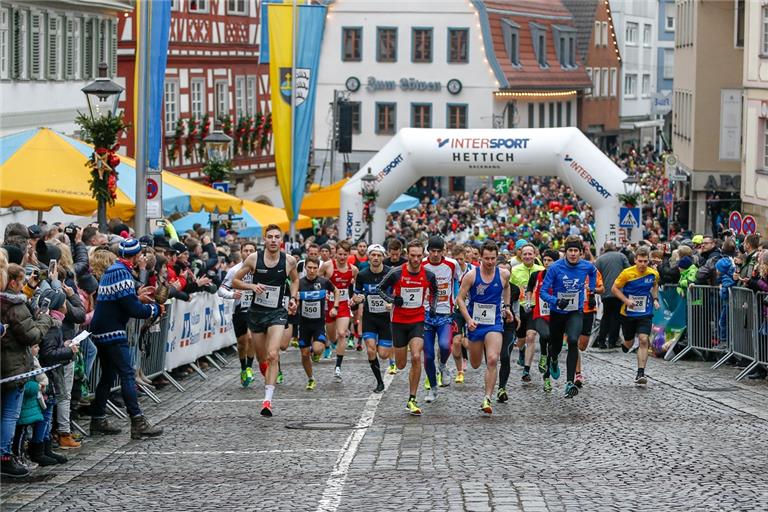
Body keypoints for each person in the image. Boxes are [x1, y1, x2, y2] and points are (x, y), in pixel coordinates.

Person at [89, 238, 164, 439]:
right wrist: (155, 308)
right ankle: (137, 421)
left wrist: (136, 296)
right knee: (127, 373)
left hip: (102, 328)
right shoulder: (122, 273)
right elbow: (132, 309)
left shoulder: (115, 269)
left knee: (108, 375)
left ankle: (97, 418)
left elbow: (121, 301)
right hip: (111, 331)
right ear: (136, 255)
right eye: (140, 254)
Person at [233, 225, 299, 417]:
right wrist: (252, 286)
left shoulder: (289, 260)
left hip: (277, 312)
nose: (272, 240)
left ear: (281, 240)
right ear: (264, 239)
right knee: (262, 358)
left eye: (276, 237)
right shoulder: (253, 259)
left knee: (273, 354)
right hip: (256, 313)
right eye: (269, 237)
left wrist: (293, 298)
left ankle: (267, 401)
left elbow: (294, 280)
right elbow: (235, 281)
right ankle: (266, 370)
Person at [1, 263, 56, 478]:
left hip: (8, 362)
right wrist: (45, 319)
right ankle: (4, 456)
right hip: (12, 365)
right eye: (22, 281)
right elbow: (31, 335)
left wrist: (29, 290)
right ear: (12, 281)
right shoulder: (13, 305)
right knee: (9, 414)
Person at [378, 240, 438, 415]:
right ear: (407, 254)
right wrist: (392, 300)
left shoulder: (428, 275)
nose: (416, 259)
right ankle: (400, 365)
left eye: (419, 256)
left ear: (423, 255)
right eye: (413, 256)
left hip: (418, 320)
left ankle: (412, 399)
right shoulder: (397, 273)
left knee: (417, 356)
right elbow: (380, 288)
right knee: (402, 364)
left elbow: (435, 292)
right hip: (398, 322)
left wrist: (432, 308)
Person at [457, 240, 512, 415]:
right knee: (474, 363)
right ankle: (465, 342)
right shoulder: (471, 276)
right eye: (486, 258)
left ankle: (487, 398)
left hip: (494, 323)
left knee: (493, 359)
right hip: (475, 323)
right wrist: (468, 319)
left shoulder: (504, 274)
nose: (490, 262)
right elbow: (460, 299)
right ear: (480, 257)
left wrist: (507, 307)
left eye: (493, 258)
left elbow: (507, 288)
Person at [540, 236, 597, 398]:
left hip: (575, 312)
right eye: (570, 251)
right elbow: (543, 292)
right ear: (565, 252)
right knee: (556, 347)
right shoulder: (555, 268)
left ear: (581, 252)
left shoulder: (586, 266)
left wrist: (591, 292)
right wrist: (556, 301)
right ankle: (554, 359)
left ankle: (569, 382)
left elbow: (593, 273)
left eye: (575, 251)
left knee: (573, 341)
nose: (573, 254)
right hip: (558, 313)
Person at [612, 247, 660, 384]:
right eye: (640, 261)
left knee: (644, 339)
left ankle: (640, 373)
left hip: (645, 312)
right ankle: (626, 344)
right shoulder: (626, 273)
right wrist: (626, 301)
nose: (643, 264)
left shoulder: (653, 273)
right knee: (629, 342)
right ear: (635, 260)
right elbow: (614, 289)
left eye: (645, 261)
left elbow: (655, 285)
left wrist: (655, 299)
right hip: (628, 313)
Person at [421, 236, 461, 402]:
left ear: (444, 251)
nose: (436, 254)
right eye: (433, 251)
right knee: (428, 356)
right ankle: (433, 389)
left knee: (445, 346)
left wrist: (458, 299)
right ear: (428, 251)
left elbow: (458, 281)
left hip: (445, 314)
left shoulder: (452, 264)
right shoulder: (422, 264)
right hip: (425, 315)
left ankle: (443, 366)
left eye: (439, 251)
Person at [352, 244, 392, 393]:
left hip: (385, 319)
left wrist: (391, 302)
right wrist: (358, 298)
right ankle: (379, 382)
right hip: (369, 317)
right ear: (369, 257)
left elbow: (397, 293)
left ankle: (390, 354)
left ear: (383, 257)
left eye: (378, 255)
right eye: (373, 255)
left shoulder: (390, 273)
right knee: (370, 350)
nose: (375, 258)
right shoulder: (362, 275)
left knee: (383, 354)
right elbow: (356, 295)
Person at [218, 242, 258, 387]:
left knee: (251, 337)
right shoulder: (234, 270)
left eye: (251, 250)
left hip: (256, 309)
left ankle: (249, 368)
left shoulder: (260, 268)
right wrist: (232, 294)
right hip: (239, 310)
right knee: (242, 343)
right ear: (241, 253)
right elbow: (221, 290)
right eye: (245, 250)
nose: (248, 253)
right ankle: (243, 368)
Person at [297, 257, 338, 390]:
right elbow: (290, 296)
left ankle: (317, 352)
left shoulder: (323, 282)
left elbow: (336, 291)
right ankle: (310, 378)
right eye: (309, 268)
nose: (312, 270)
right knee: (304, 354)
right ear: (305, 268)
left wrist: (335, 307)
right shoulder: (299, 283)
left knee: (317, 349)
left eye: (315, 268)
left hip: (318, 323)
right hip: (303, 323)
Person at [319, 241, 357, 381]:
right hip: (329, 305)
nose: (342, 257)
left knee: (342, 333)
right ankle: (333, 343)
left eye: (345, 255)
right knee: (333, 336)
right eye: (340, 254)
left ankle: (338, 367)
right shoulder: (328, 266)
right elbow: (317, 281)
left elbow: (356, 288)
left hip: (343, 304)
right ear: (335, 254)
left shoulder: (353, 269)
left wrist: (354, 296)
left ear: (348, 255)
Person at [509, 244, 543, 383]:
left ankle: (526, 370)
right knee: (521, 340)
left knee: (531, 336)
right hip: (521, 308)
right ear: (520, 256)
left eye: (530, 254)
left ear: (535, 255)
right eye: (525, 254)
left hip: (535, 308)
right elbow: (509, 289)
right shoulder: (515, 270)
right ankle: (521, 350)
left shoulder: (541, 270)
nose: (528, 256)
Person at [527, 249, 559, 392]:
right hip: (540, 314)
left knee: (553, 346)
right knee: (545, 336)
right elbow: (529, 288)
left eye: (549, 260)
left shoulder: (560, 276)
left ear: (556, 262)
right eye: (545, 260)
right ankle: (544, 355)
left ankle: (547, 378)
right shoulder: (537, 275)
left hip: (556, 315)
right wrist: (528, 300)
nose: (546, 263)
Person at [594, 241, 630, 349]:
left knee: (606, 317)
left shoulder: (600, 259)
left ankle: (601, 341)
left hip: (605, 292)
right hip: (619, 291)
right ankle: (612, 341)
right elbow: (629, 271)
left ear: (604, 248)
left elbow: (595, 275)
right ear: (614, 247)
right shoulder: (621, 256)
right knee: (616, 317)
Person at [575, 268, 604, 387]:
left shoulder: (593, 271)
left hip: (588, 310)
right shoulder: (565, 270)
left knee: (582, 346)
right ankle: (577, 374)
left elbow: (602, 289)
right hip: (572, 310)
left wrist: (592, 290)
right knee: (573, 341)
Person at [451, 245, 473, 383]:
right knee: (456, 341)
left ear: (466, 258)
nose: (459, 262)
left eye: (461, 259)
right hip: (456, 310)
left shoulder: (473, 270)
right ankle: (459, 371)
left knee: (471, 343)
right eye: (456, 259)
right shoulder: (451, 271)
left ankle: (469, 358)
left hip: (471, 309)